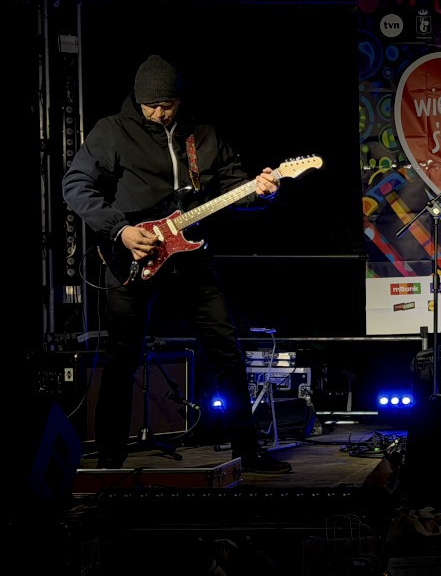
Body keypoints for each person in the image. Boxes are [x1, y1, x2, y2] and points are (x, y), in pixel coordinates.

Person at [62, 55, 292, 474]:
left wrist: (262, 191)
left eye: (166, 104)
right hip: (133, 257)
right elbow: (75, 185)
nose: (158, 112)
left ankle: (249, 448)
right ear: (138, 99)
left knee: (225, 349)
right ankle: (111, 453)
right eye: (150, 105)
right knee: (122, 355)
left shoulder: (201, 134)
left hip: (192, 261)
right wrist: (120, 231)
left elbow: (232, 184)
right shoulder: (112, 131)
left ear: (178, 100)